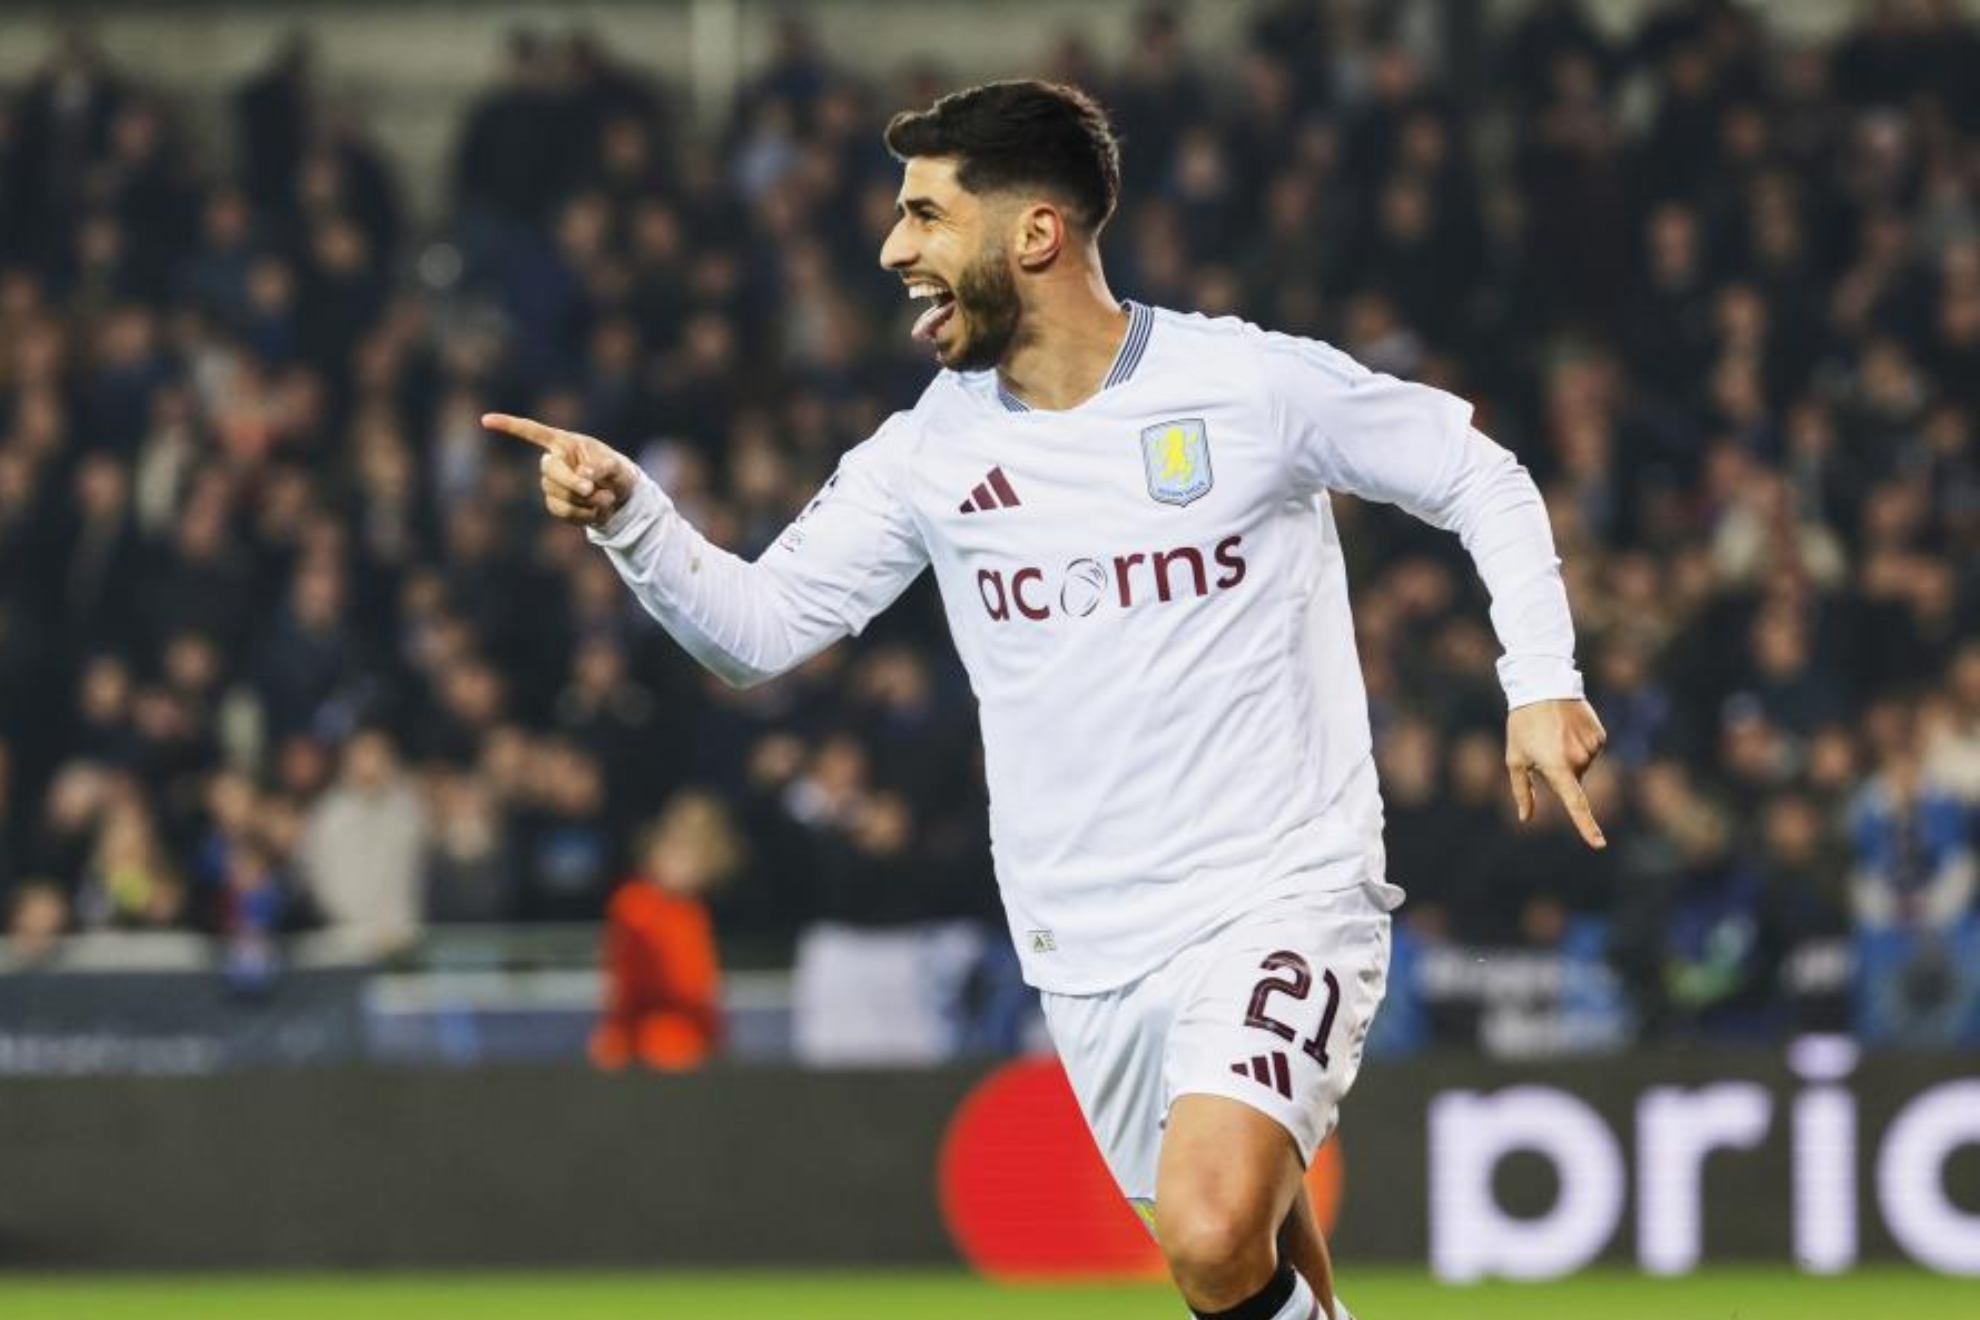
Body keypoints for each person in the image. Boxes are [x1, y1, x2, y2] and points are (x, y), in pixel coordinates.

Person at [490, 80, 1606, 1320]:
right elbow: (757, 632)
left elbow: (1475, 471)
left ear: (1035, 234)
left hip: (1277, 891)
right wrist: (634, 519)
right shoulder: (929, 452)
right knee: (1248, 1267)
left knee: (1211, 1231)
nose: (892, 249)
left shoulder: (1243, 385)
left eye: (925, 215)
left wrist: (1539, 681)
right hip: (1085, 947)